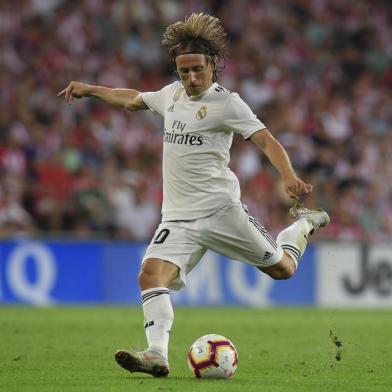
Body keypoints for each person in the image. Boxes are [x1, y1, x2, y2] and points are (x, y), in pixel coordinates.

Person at [58, 13, 329, 377]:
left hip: (221, 211)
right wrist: (90, 89)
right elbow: (132, 99)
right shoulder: (171, 95)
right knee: (150, 276)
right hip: (178, 218)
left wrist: (289, 177)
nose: (190, 78)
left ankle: (303, 224)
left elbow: (267, 140)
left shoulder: (228, 103)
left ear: (213, 65)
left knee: (283, 269)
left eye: (197, 70)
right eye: (183, 71)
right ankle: (156, 354)